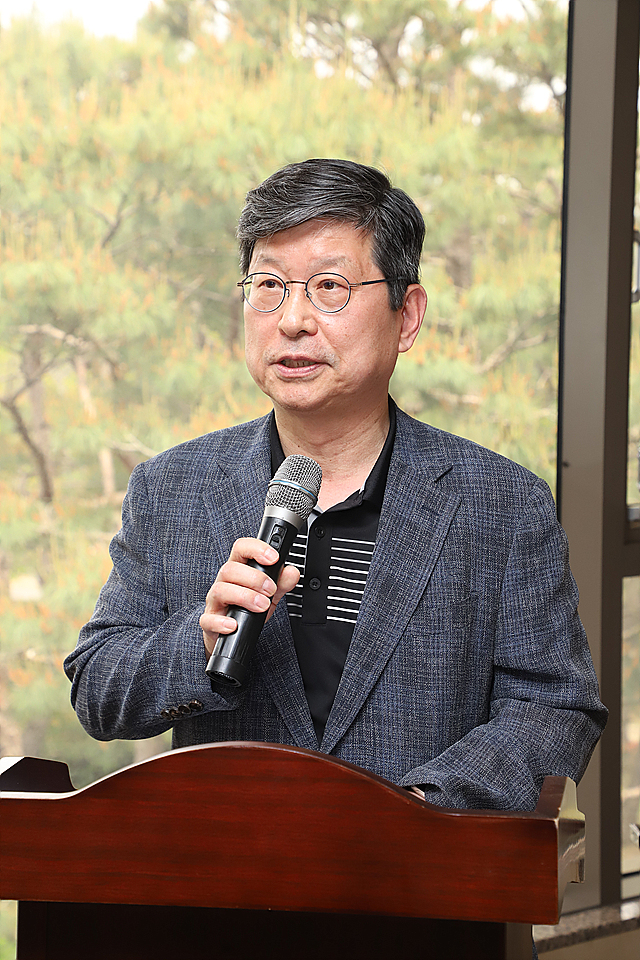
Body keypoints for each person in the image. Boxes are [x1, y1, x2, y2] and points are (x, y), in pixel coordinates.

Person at [64, 158, 607, 812]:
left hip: (424, 892)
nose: (292, 319)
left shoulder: (503, 503)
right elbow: (98, 689)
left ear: (406, 316)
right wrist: (199, 640)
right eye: (268, 285)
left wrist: (410, 814)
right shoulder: (171, 487)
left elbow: (553, 708)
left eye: (328, 287)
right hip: (225, 892)